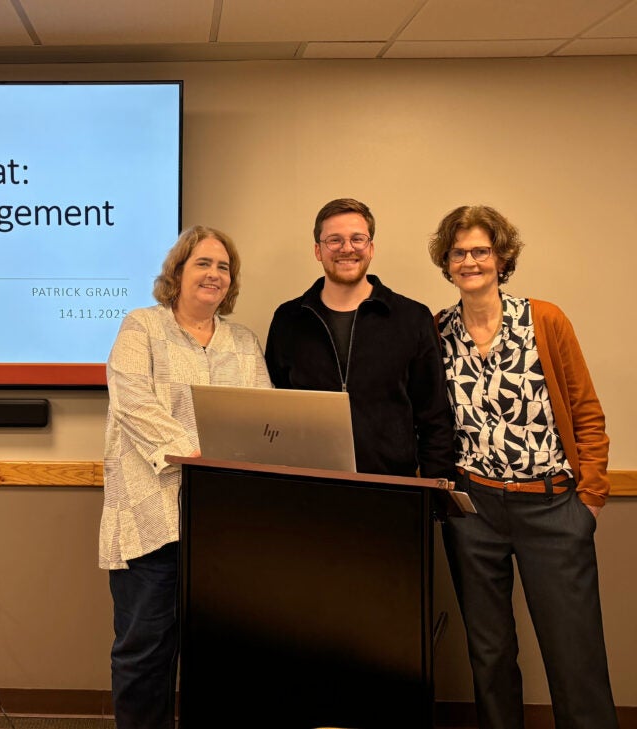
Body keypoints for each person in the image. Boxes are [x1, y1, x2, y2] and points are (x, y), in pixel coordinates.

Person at [427, 205, 617, 729]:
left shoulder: (544, 319)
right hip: (474, 512)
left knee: (574, 655)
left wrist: (591, 500)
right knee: (489, 658)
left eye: (481, 251)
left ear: (502, 257)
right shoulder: (436, 331)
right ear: (446, 262)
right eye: (459, 252)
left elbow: (585, 412)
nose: (470, 261)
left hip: (553, 507)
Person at [99, 224, 271, 729]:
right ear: (177, 273)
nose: (214, 274)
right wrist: (197, 455)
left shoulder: (243, 342)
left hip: (222, 523)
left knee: (220, 655)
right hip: (152, 519)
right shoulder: (141, 327)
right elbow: (132, 404)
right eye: (203, 263)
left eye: (223, 267)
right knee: (144, 654)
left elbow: (262, 416)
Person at [265, 197, 455, 480]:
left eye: (358, 239)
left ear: (371, 248)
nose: (347, 249)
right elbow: (273, 413)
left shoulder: (412, 318)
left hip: (393, 492)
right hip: (307, 492)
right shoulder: (288, 319)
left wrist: (434, 498)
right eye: (334, 240)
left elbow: (434, 418)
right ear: (318, 250)